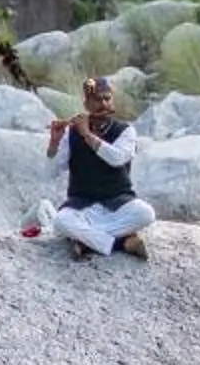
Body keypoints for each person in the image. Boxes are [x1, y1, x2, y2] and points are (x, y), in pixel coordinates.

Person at [47, 75, 155, 261]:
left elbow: (116, 158)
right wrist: (54, 142)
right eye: (97, 99)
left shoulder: (125, 131)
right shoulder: (72, 132)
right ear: (86, 103)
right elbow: (51, 172)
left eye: (107, 98)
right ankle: (122, 242)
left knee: (146, 214)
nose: (103, 104)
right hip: (83, 204)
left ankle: (86, 240)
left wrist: (88, 135)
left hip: (118, 202)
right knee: (60, 222)